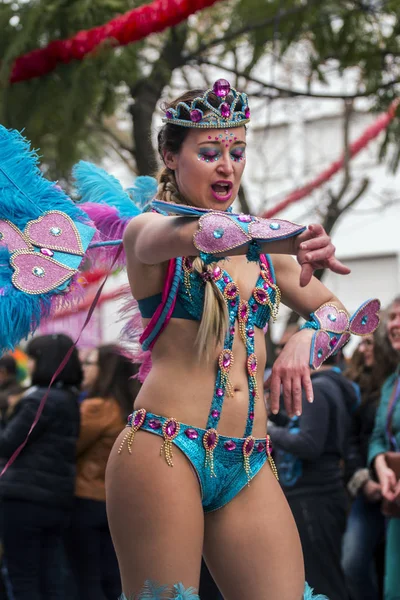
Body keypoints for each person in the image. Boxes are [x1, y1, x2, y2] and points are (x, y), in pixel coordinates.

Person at [103, 79, 378, 600]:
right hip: (164, 449)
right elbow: (205, 234)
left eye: (237, 151)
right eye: (209, 152)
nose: (226, 165)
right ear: (170, 155)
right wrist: (285, 232)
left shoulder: (264, 253)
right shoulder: (146, 233)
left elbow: (337, 314)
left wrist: (305, 341)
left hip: (250, 459)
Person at [268, 351, 358, 600]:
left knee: (321, 581)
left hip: (312, 497)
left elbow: (310, 443)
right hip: (325, 495)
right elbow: (311, 431)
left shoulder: (317, 389)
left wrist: (269, 430)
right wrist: (278, 418)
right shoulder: (335, 385)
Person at [0, 334, 81, 600]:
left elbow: (8, 444)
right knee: (51, 576)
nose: (30, 365)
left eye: (33, 358)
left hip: (24, 498)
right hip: (56, 497)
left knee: (23, 578)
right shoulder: (69, 399)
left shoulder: (40, 400)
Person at [65, 344, 140, 600]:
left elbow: (69, 448)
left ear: (106, 368)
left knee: (86, 579)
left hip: (87, 498)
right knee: (115, 578)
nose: (84, 369)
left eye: (90, 363)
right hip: (122, 502)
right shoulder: (137, 409)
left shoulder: (96, 408)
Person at [342, 329, 397, 600]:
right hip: (368, 488)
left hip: (394, 484)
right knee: (353, 563)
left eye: (371, 343)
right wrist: (364, 480)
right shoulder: (355, 387)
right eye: (362, 342)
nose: (365, 348)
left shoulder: (392, 383)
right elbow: (350, 440)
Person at [368, 296, 400, 600]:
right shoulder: (392, 383)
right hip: (396, 502)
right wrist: (381, 467)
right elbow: (379, 434)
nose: (394, 324)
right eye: (392, 317)